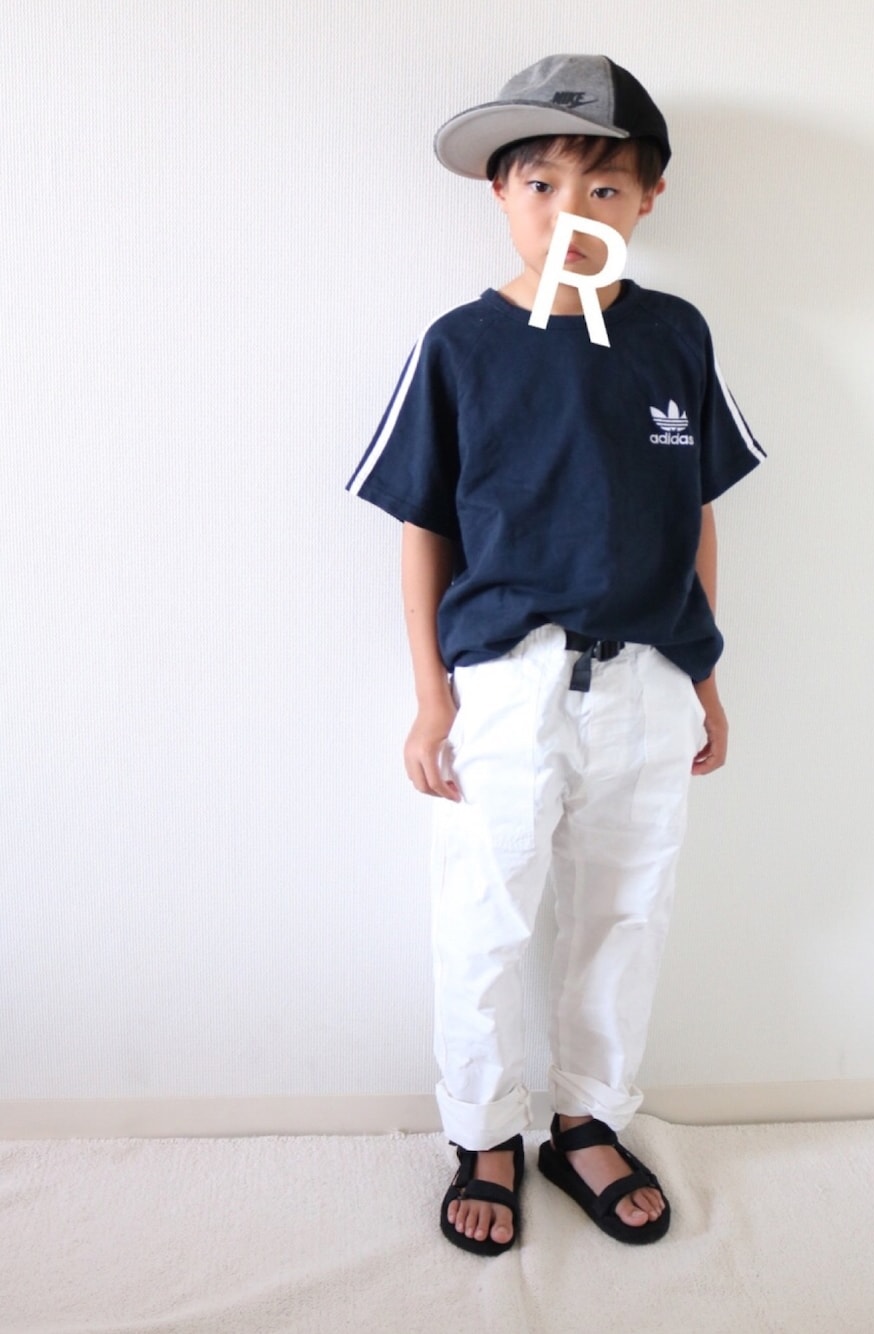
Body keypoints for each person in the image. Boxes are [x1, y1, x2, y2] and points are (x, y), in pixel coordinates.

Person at [346, 53, 765, 1256]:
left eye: (606, 188)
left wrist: (703, 677)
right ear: (500, 191)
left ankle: (587, 1118)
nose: (572, 211)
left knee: (625, 911)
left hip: (647, 681)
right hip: (507, 681)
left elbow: (695, 515)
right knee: (486, 914)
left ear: (648, 200)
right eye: (542, 185)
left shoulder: (674, 336)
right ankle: (483, 1130)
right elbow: (424, 527)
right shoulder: (461, 346)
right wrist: (431, 699)